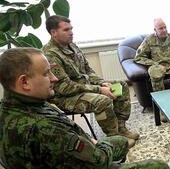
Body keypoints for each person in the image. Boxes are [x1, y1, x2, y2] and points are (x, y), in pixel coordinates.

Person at [0, 48, 170, 169]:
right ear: (24, 82)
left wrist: (90, 142)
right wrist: (96, 146)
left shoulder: (11, 110)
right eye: (46, 73)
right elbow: (99, 164)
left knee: (120, 142)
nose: (54, 78)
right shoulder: (43, 128)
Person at [42, 15, 139, 148]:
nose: (71, 32)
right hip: (65, 97)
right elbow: (65, 87)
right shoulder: (50, 55)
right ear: (53, 32)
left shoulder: (72, 46)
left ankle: (121, 128)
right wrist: (99, 89)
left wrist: (101, 83)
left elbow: (88, 70)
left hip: (83, 88)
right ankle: (115, 139)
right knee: (102, 101)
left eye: (71, 28)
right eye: (66, 30)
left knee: (120, 86)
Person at [134, 18, 170, 121]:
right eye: (161, 28)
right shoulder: (149, 40)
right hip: (157, 67)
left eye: (165, 27)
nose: (164, 30)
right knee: (155, 73)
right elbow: (139, 57)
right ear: (155, 30)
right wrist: (154, 63)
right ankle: (162, 108)